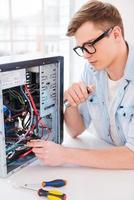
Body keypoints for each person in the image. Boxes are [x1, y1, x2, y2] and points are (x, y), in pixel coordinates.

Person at [28, 0, 134, 169]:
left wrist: (64, 154)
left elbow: (132, 157)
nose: (86, 55)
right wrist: (71, 104)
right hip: (107, 172)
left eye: (90, 45)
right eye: (81, 48)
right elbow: (75, 130)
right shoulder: (92, 70)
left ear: (116, 34)